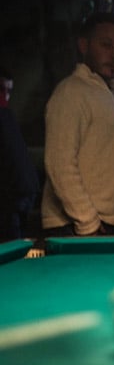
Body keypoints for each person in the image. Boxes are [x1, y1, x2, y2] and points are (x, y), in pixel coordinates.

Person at [41, 12, 114, 236]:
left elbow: (111, 161)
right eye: (106, 45)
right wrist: (88, 223)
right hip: (72, 226)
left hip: (100, 223)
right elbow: (59, 165)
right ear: (84, 45)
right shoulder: (70, 92)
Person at [0, 66, 40, 241]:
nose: (5, 96)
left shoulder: (6, 117)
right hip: (9, 206)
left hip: (18, 205)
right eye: (1, 90)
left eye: (9, 91)